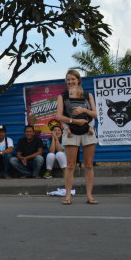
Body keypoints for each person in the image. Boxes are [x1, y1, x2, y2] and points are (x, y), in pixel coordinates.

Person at [56, 69, 99, 205]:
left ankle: (89, 196)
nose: (70, 82)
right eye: (68, 79)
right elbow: (59, 116)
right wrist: (75, 121)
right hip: (70, 131)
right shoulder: (62, 96)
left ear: (78, 80)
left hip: (88, 131)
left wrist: (84, 110)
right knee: (70, 165)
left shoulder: (88, 95)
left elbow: (95, 114)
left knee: (89, 165)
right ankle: (68, 196)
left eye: (72, 79)